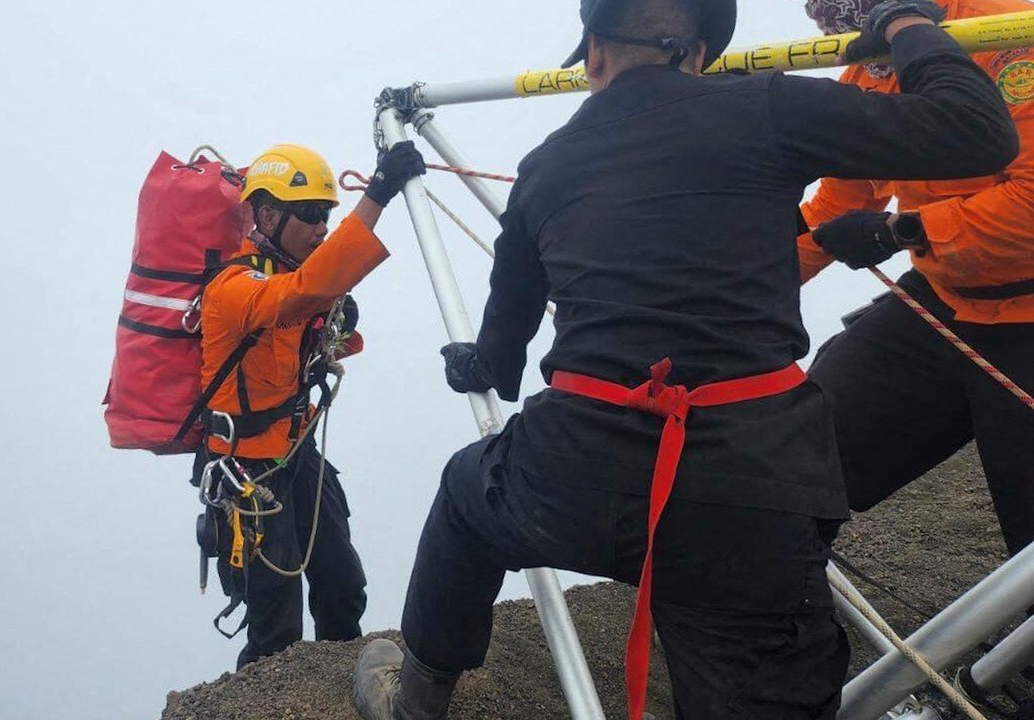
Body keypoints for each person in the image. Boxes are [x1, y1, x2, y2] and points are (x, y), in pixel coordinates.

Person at [351, 0, 1018, 717]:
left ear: (593, 55)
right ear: (700, 55)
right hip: (745, 492)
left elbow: (502, 351)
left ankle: (416, 697)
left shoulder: (545, 165)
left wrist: (478, 365)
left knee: (465, 493)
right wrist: (908, 25)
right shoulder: (767, 106)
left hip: (571, 478)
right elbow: (977, 133)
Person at [799, 0, 1034, 560]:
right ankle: (778, 602)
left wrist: (901, 231)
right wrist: (727, 285)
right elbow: (839, 204)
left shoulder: (1007, 33)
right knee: (795, 462)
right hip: (943, 302)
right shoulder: (871, 63)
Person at [194, 141, 425, 668]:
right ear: (268, 216)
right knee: (276, 623)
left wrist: (336, 326)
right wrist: (377, 194)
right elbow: (298, 295)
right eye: (311, 214)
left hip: (296, 454)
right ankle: (267, 696)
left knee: (342, 585)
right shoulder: (235, 287)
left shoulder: (286, 281)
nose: (322, 227)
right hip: (246, 472)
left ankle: (342, 684)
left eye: (326, 214)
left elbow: (309, 329)